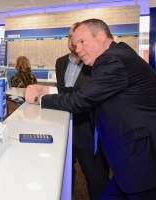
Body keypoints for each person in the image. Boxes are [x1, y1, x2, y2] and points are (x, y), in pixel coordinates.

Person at [24, 18, 156, 199]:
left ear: (101, 36)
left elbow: (81, 100)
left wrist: (39, 98)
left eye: (82, 42)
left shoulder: (112, 60)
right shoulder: (119, 53)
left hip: (144, 163)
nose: (78, 48)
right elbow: (87, 91)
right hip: (131, 160)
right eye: (75, 44)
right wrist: (48, 89)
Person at [56, 22, 110, 199]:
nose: (74, 43)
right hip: (63, 128)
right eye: (70, 37)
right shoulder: (60, 62)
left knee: (96, 180)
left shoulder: (95, 62)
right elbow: (63, 92)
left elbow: (83, 97)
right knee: (64, 176)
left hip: (88, 131)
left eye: (79, 39)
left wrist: (45, 96)